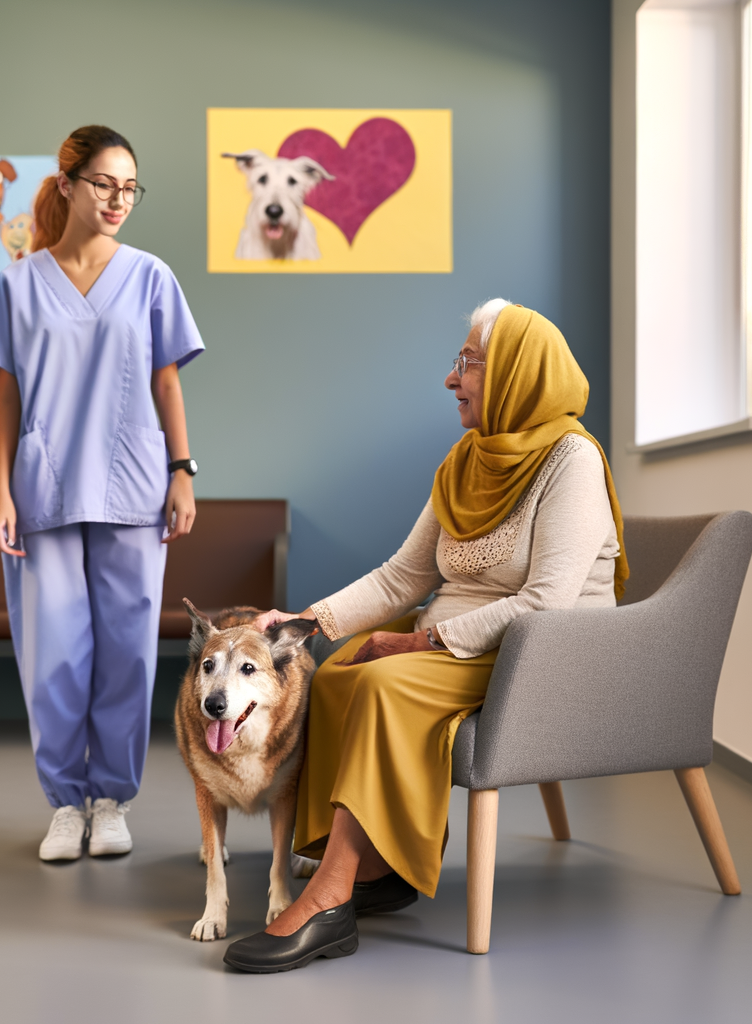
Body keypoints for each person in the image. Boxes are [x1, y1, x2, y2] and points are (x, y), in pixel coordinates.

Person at [222, 300, 629, 972]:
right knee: (341, 667)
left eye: (467, 363)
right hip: (464, 647)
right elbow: (401, 577)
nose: (451, 379)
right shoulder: (468, 458)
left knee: (381, 679)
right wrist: (303, 623)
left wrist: (417, 645)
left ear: (514, 375)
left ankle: (329, 900)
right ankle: (377, 865)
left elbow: (547, 602)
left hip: (543, 657)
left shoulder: (571, 460)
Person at [0, 126, 204, 861]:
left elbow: (167, 378)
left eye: (130, 187)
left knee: (127, 651)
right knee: (54, 653)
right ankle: (66, 804)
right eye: (104, 183)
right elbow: (7, 392)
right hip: (45, 487)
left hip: (133, 482)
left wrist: (184, 469)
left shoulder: (151, 276)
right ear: (66, 184)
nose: (118, 199)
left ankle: (112, 799)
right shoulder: (19, 280)